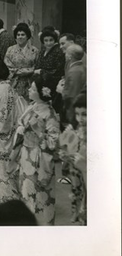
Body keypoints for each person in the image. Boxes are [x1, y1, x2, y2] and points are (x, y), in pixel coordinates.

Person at [16, 75, 61, 225]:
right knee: (26, 195)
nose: (29, 90)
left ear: (42, 92)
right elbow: (21, 122)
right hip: (26, 155)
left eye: (33, 88)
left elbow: (54, 142)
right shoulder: (32, 106)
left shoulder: (50, 113)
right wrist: (21, 129)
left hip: (39, 159)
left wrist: (38, 132)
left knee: (41, 198)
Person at [0, 59, 21, 203]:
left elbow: (4, 117)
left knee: (4, 169)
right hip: (4, 134)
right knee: (3, 169)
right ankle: (5, 199)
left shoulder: (3, 89)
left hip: (4, 135)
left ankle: (7, 202)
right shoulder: (5, 87)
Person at [58, 94, 87, 225]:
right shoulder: (75, 129)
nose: (80, 119)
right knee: (76, 189)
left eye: (84, 114)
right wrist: (66, 155)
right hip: (76, 167)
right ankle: (76, 211)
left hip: (87, 169)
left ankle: (82, 213)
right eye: (78, 114)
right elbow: (66, 145)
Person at [4, 22, 39, 101]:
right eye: (18, 35)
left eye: (23, 35)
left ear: (27, 36)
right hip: (14, 82)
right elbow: (7, 65)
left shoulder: (34, 50)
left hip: (29, 82)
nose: (20, 37)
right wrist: (20, 71)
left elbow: (37, 66)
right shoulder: (10, 50)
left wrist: (29, 71)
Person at [34, 26, 65, 92]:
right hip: (41, 82)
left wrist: (41, 71)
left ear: (55, 40)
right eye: (46, 40)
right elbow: (37, 65)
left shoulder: (58, 51)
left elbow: (58, 71)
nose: (48, 43)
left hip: (54, 83)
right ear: (43, 41)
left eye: (51, 40)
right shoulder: (42, 50)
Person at [62, 44, 87, 124]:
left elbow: (73, 94)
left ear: (70, 56)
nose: (65, 55)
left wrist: (61, 90)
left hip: (73, 108)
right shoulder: (81, 67)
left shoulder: (75, 71)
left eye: (66, 53)